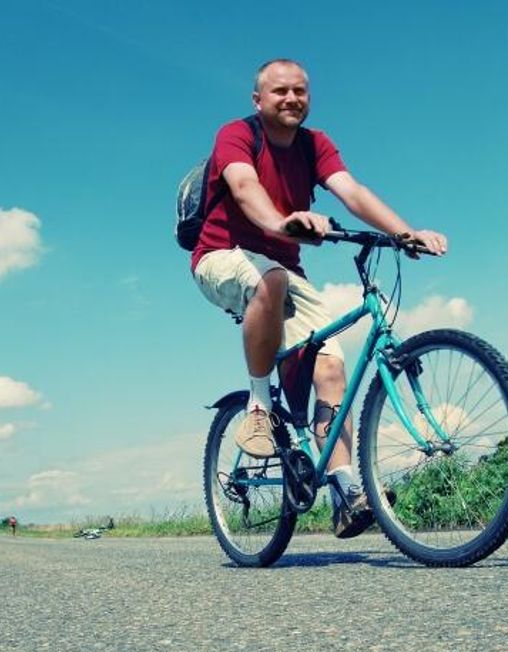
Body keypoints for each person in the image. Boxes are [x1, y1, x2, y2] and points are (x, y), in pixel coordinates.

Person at [191, 59, 447, 539]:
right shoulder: (237, 134)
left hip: (283, 268)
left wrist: (404, 232)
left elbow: (352, 191)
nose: (292, 98)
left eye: (300, 91)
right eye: (280, 91)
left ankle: (345, 492)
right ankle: (259, 407)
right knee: (271, 280)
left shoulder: (315, 145)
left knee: (330, 366)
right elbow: (244, 187)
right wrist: (282, 223)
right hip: (222, 256)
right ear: (258, 100)